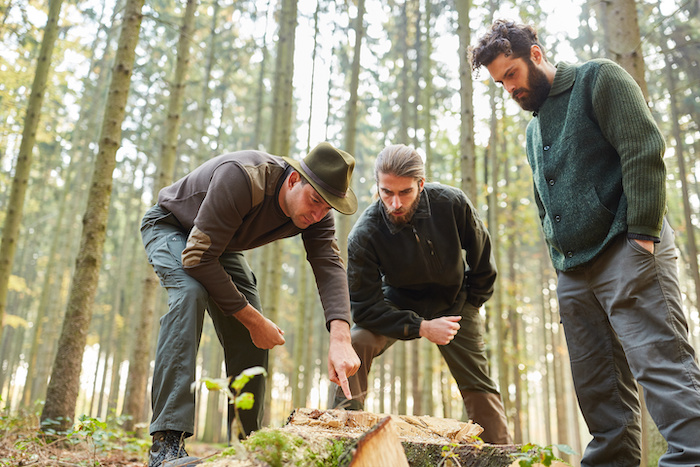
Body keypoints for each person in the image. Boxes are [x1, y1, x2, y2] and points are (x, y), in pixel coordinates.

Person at [471, 19, 700, 465]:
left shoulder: (599, 78)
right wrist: (561, 265)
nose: (510, 89)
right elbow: (544, 203)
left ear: (534, 55)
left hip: (629, 249)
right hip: (575, 274)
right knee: (599, 390)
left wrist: (643, 239)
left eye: (512, 74)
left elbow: (643, 148)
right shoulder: (533, 131)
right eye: (500, 83)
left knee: (662, 367)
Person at [141, 142, 361, 467]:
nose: (317, 214)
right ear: (293, 180)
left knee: (252, 328)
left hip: (218, 246)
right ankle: (166, 446)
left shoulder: (318, 212)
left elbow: (328, 263)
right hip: (172, 227)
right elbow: (198, 259)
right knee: (191, 294)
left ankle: (248, 446)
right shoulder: (244, 178)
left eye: (326, 209)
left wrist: (341, 337)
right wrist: (255, 321)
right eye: (314, 201)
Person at [330, 144, 512, 445]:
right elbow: (364, 309)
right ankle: (340, 435)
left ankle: (501, 456)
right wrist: (421, 327)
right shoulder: (364, 234)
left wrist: (469, 306)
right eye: (387, 192)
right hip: (397, 304)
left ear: (421, 185)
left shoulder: (452, 203)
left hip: (455, 302)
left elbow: (482, 263)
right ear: (378, 186)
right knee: (358, 342)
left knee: (479, 381)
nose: (395, 203)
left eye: (405, 192)